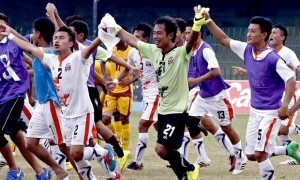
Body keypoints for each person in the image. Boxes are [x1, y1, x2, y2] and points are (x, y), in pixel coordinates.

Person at [99, 6, 207, 179]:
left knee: (160, 148)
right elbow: (132, 40)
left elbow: (192, 41)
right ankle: (189, 169)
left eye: (159, 33)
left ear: (170, 35)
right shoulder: (152, 50)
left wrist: (197, 23)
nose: (155, 36)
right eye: (154, 33)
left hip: (176, 111)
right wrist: (114, 27)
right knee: (166, 150)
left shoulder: (181, 54)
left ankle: (185, 173)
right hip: (163, 111)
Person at [0, 23, 117, 180]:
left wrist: (101, 36)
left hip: (64, 107)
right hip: (53, 108)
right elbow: (29, 50)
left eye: (61, 38)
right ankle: (63, 170)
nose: (57, 40)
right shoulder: (50, 59)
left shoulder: (73, 57)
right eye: (55, 37)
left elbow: (88, 50)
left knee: (70, 150)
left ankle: (100, 152)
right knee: (35, 143)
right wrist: (10, 34)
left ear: (70, 42)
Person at [202, 8, 300, 179]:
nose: (248, 34)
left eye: (253, 31)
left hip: (270, 113)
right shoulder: (246, 49)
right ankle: (286, 149)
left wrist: (285, 106)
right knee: (251, 155)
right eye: (248, 30)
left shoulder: (273, 58)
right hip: (254, 111)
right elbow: (223, 39)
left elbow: (291, 79)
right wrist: (208, 20)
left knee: (261, 154)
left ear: (264, 35)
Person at [232, 24, 300, 165]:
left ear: (282, 37)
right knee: (278, 132)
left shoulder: (287, 53)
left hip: (287, 95)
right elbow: (264, 72)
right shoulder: (266, 52)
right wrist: (245, 72)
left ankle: (290, 151)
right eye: (271, 32)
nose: (272, 35)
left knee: (282, 129)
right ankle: (289, 151)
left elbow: (295, 70)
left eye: (275, 33)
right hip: (274, 97)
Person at [187, 18, 248, 175]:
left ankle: (240, 156)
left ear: (198, 33)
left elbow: (216, 71)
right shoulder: (192, 51)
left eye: (190, 33)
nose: (187, 36)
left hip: (217, 97)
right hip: (202, 96)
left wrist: (196, 81)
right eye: (186, 33)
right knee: (189, 121)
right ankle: (203, 136)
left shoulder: (206, 50)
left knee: (227, 128)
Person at [0, 13, 50, 180]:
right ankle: (41, 172)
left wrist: (11, 33)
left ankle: (14, 169)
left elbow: (31, 42)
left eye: (1, 26)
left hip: (14, 95)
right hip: (1, 96)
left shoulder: (14, 41)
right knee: (17, 136)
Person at [21, 16, 68, 179]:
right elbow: (38, 70)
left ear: (38, 34)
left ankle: (99, 155)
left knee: (64, 146)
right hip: (41, 104)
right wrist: (23, 73)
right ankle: (59, 170)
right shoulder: (40, 54)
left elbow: (23, 43)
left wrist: (8, 32)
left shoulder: (46, 52)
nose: (32, 35)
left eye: (34, 32)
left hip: (51, 103)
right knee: (31, 143)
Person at [116, 22, 159, 171]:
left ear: (145, 39)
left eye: (137, 37)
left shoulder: (153, 53)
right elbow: (130, 69)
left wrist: (131, 80)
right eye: (132, 36)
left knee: (143, 125)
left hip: (157, 94)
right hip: (147, 94)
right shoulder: (133, 53)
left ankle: (138, 162)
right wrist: (116, 81)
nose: (131, 39)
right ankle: (178, 154)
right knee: (159, 127)